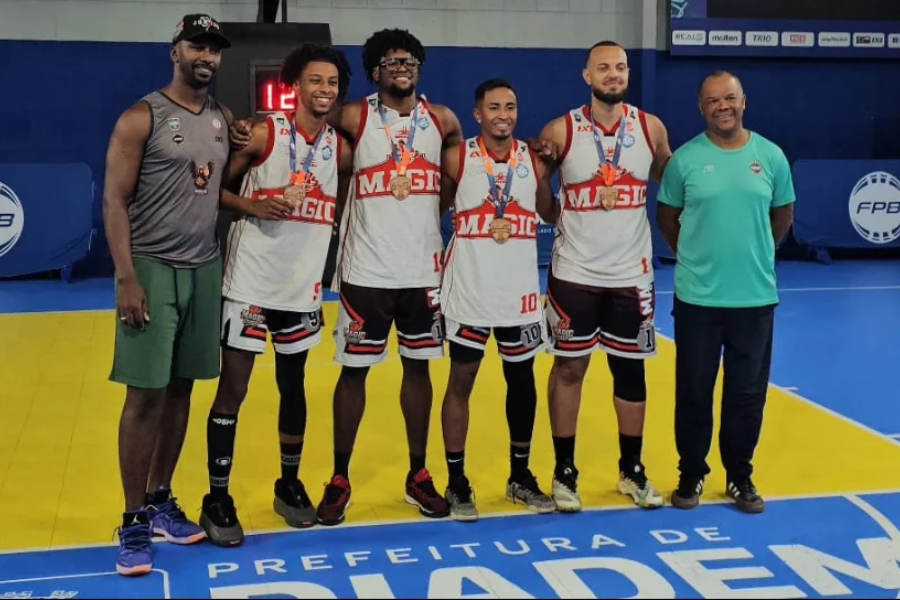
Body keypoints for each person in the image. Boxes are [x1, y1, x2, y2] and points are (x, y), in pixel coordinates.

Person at [228, 29, 463, 526]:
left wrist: (433, 211)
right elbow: (302, 124)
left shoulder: (442, 120)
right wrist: (245, 128)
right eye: (391, 59)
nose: (403, 65)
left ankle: (418, 474)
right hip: (365, 269)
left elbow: (456, 165)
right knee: (353, 372)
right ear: (375, 71)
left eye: (411, 58)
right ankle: (339, 477)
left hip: (422, 268)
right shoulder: (355, 116)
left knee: (419, 370)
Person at [199, 44, 354, 547]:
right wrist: (251, 205)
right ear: (296, 85)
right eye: (315, 80)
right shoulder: (264, 133)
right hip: (251, 282)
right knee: (234, 390)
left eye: (332, 82)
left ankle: (288, 483)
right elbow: (211, 191)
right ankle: (216, 496)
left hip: (302, 286)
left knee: (295, 387)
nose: (324, 89)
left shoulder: (342, 149)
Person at [102, 14, 232, 576]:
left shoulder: (225, 119)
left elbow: (218, 188)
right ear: (174, 51)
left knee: (181, 389)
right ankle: (132, 519)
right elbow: (114, 201)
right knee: (145, 396)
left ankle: (160, 500)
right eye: (196, 46)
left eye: (213, 48)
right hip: (152, 269)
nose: (206, 54)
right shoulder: (141, 116)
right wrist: (127, 277)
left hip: (205, 267)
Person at [531, 40, 672, 512]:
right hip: (575, 272)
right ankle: (564, 471)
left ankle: (631, 470)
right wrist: (548, 192)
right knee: (570, 368)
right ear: (586, 75)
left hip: (631, 274)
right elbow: (544, 201)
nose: (614, 74)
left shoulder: (650, 128)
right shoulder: (562, 129)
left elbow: (672, 184)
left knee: (630, 369)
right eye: (604, 68)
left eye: (621, 67)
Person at [656, 70, 795, 514]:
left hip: (754, 298)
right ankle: (691, 474)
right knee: (694, 391)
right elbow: (667, 218)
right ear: (702, 108)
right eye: (713, 100)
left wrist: (753, 255)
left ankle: (740, 476)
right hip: (698, 299)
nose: (723, 106)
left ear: (743, 101)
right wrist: (697, 259)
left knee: (747, 394)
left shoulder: (771, 157)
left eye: (729, 98)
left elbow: (782, 216)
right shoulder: (685, 161)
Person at [438, 78, 557, 521]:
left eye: (510, 106)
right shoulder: (458, 156)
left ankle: (519, 476)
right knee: (461, 382)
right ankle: (456, 480)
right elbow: (435, 209)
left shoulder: (533, 158)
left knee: (522, 382)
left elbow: (550, 213)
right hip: (469, 288)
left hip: (519, 291)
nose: (502, 114)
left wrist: (545, 175)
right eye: (494, 107)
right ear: (478, 114)